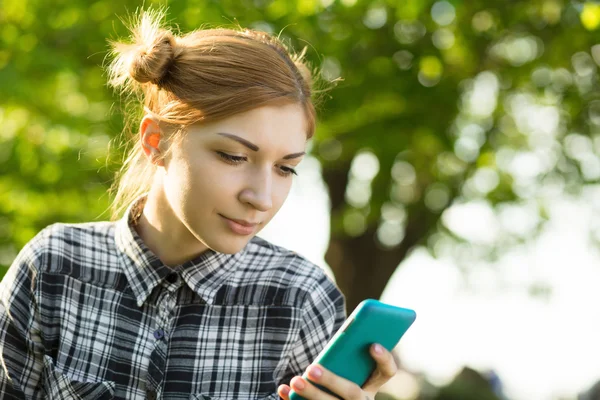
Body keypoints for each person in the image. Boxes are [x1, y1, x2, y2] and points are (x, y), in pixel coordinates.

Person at [0, 9, 398, 400]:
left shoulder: (301, 299)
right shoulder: (51, 268)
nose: (261, 197)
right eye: (233, 157)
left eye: (285, 168)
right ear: (155, 140)